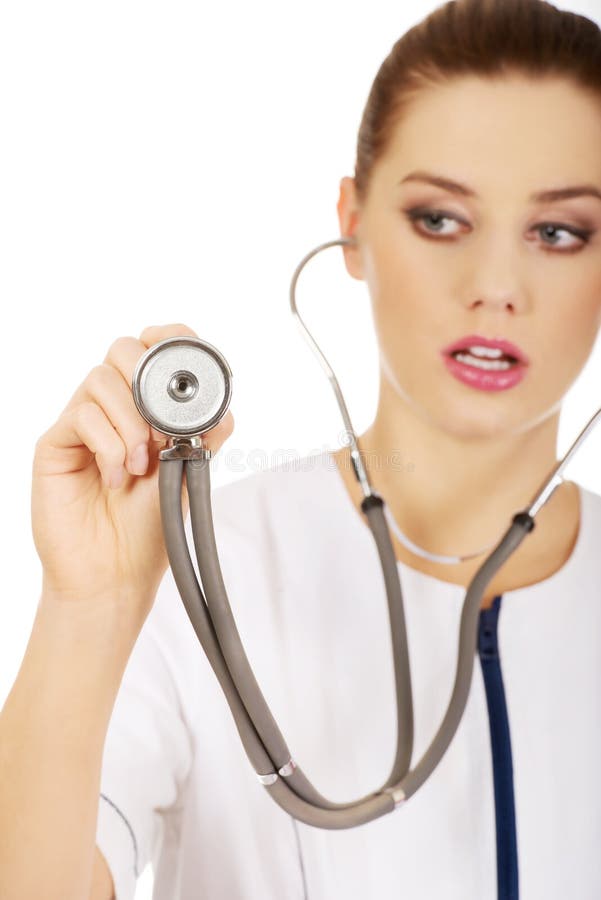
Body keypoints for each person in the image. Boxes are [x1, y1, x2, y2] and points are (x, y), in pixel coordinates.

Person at [2, 0, 601, 896]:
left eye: (557, 231)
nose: (495, 288)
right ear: (350, 225)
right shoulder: (200, 568)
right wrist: (88, 608)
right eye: (440, 219)